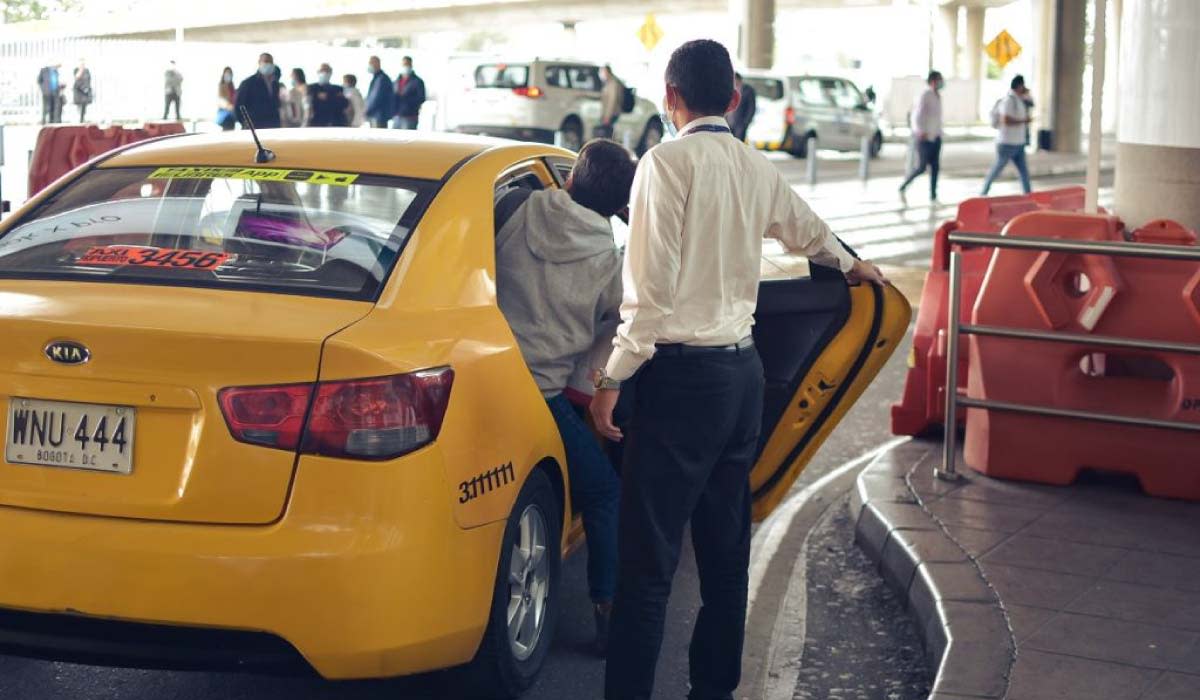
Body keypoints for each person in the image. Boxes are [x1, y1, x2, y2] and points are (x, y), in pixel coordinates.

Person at [589, 39, 886, 700]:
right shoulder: (754, 166)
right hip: (741, 381)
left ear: (670, 98)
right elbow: (805, 228)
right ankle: (713, 690)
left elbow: (648, 295)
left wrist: (612, 378)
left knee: (648, 567)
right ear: (732, 99)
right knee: (725, 555)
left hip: (676, 385)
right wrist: (850, 262)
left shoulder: (665, 165)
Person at [493, 138, 636, 656]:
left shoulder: (512, 208)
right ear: (620, 207)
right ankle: (607, 611)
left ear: (570, 178)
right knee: (602, 493)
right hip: (544, 397)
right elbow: (627, 322)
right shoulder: (610, 264)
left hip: (485, 381)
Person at [982, 75, 1034, 195]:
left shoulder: (1020, 99)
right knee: (997, 169)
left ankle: (1029, 195)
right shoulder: (1008, 100)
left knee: (1024, 172)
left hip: (1018, 143)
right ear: (1019, 86)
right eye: (1023, 86)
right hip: (1007, 143)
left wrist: (1028, 94)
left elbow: (1031, 103)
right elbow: (1005, 120)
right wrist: (1023, 121)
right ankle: (983, 192)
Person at [898, 70, 944, 204]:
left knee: (935, 167)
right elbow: (916, 116)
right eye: (939, 80)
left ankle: (933, 196)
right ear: (933, 81)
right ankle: (903, 186)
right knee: (922, 167)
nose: (942, 82)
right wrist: (920, 131)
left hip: (936, 136)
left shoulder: (937, 96)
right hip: (924, 138)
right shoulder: (925, 95)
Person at [234, 53, 282, 129]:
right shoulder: (248, 83)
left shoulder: (275, 84)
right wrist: (245, 123)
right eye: (266, 61)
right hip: (254, 126)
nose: (268, 64)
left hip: (272, 126)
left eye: (270, 62)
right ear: (259, 63)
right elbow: (238, 106)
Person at [392, 56, 426, 130]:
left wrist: (407, 100)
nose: (405, 67)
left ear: (411, 65)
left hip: (410, 117)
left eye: (407, 64)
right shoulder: (396, 81)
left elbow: (421, 98)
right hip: (397, 116)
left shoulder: (417, 81)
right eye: (404, 65)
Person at [725, 72, 757, 142]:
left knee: (739, 142)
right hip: (729, 122)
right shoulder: (729, 89)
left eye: (734, 80)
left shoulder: (748, 90)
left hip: (740, 123)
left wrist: (746, 122)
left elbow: (751, 108)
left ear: (739, 80)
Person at [364, 56, 393, 128]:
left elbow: (376, 98)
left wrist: (367, 110)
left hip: (379, 115)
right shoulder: (377, 78)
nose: (369, 65)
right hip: (376, 115)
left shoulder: (381, 79)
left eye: (371, 63)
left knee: (377, 137)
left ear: (377, 63)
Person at [598, 64, 625, 138]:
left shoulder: (613, 83)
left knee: (608, 135)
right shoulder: (608, 83)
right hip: (608, 114)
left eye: (602, 72)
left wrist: (607, 116)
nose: (601, 74)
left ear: (607, 72)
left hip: (611, 114)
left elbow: (612, 101)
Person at [217, 67, 237, 131]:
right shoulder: (221, 86)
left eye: (230, 73)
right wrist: (229, 106)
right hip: (225, 115)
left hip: (232, 115)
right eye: (227, 73)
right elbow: (221, 100)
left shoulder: (232, 86)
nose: (228, 75)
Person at [72, 59, 92, 123]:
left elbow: (89, 80)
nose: (82, 65)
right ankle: (79, 120)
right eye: (81, 64)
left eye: (83, 64)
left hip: (85, 91)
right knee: (79, 106)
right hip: (79, 91)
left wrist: (87, 88)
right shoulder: (76, 70)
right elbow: (77, 77)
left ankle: (83, 119)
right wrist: (81, 69)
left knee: (84, 106)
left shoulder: (87, 71)